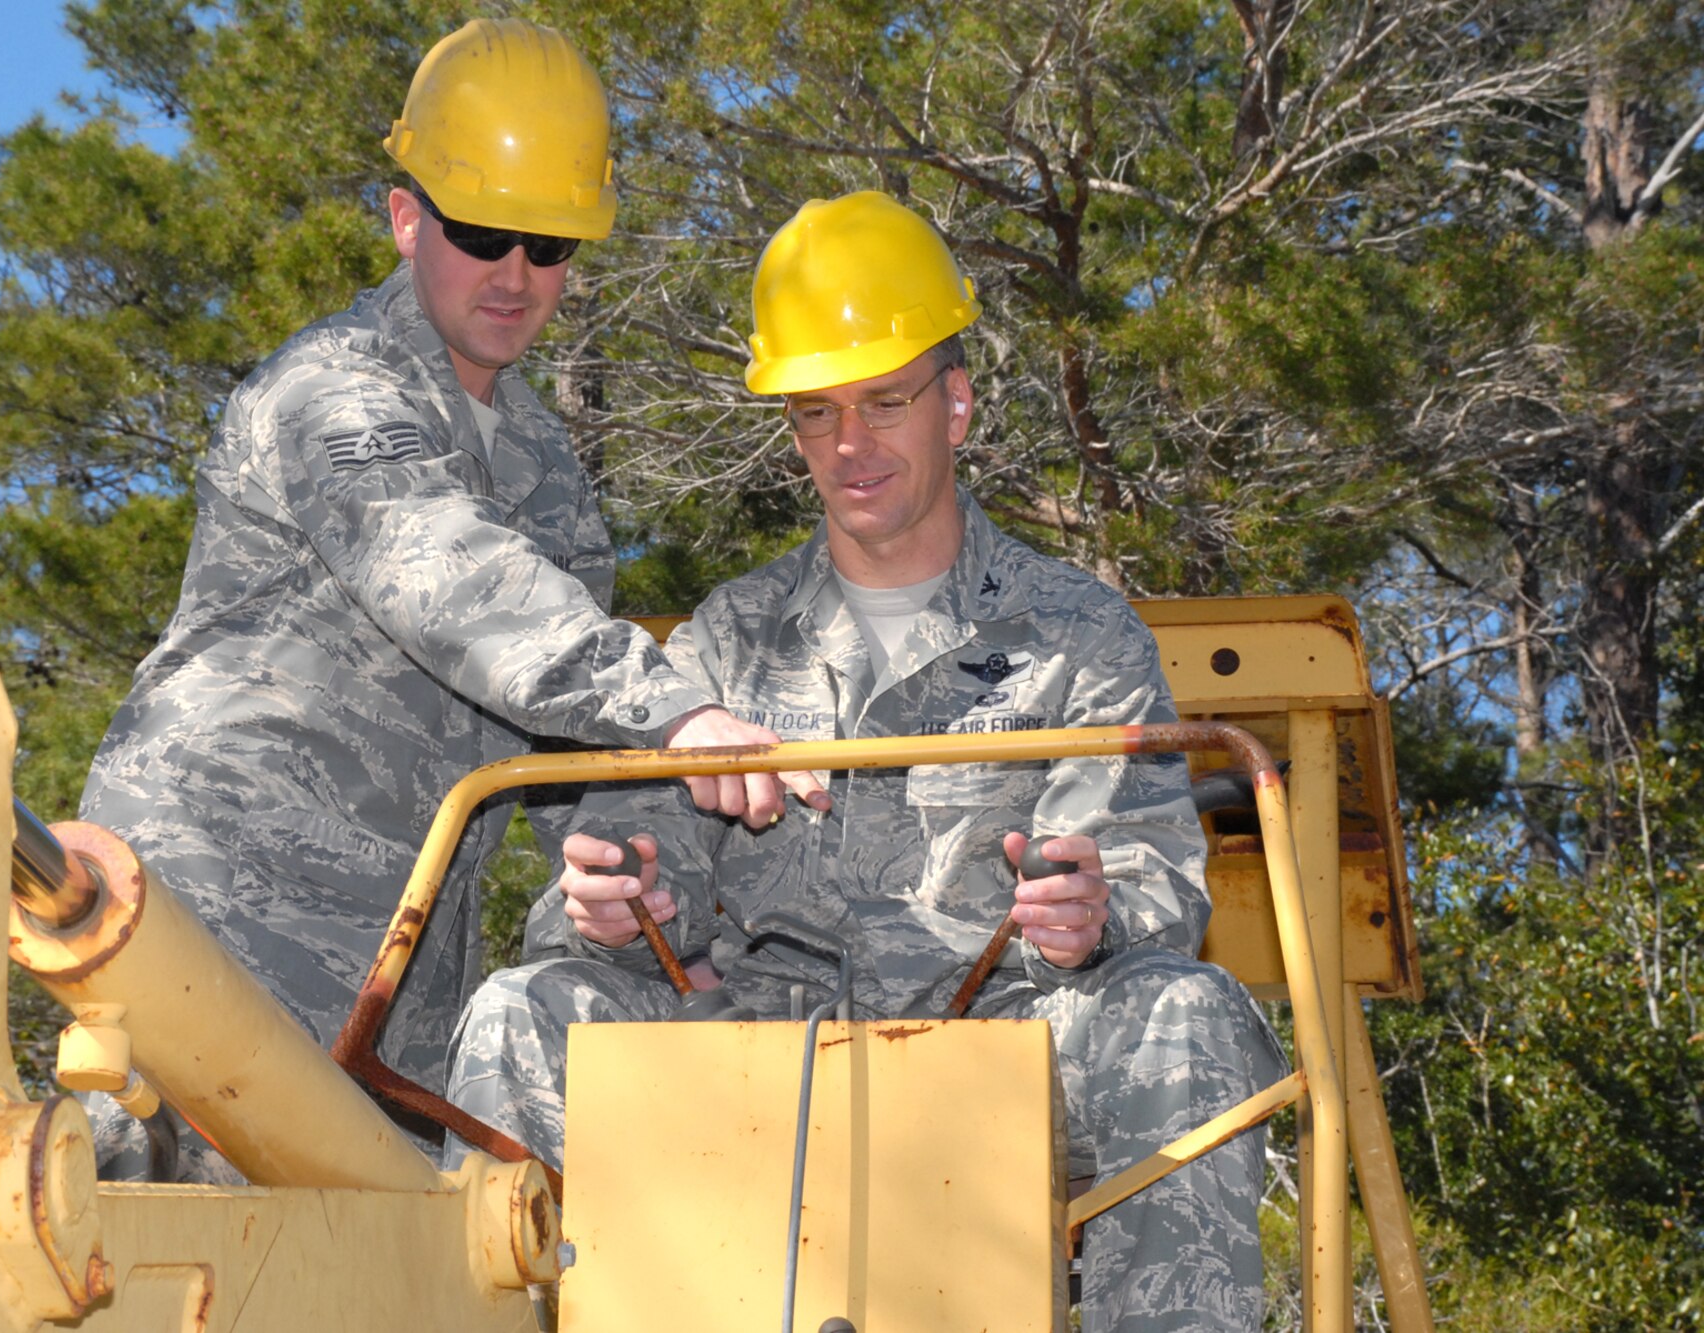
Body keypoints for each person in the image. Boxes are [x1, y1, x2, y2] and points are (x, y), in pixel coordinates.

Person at [446, 191, 1286, 1332]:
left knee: (1184, 1015)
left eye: (884, 402)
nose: (848, 446)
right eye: (815, 413)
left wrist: (1097, 909)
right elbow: (635, 880)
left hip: (1004, 1055)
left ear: (955, 402)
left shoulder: (1077, 631)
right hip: (747, 1059)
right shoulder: (725, 641)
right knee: (518, 1010)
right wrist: (610, 903)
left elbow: (1149, 877)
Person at [76, 17, 823, 1170]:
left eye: (552, 243)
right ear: (405, 215)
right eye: (483, 232)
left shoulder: (544, 471)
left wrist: (648, 892)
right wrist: (674, 709)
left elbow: (561, 748)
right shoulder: (332, 388)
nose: (518, 276)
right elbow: (446, 571)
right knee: (174, 1256)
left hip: (403, 954)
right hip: (229, 900)